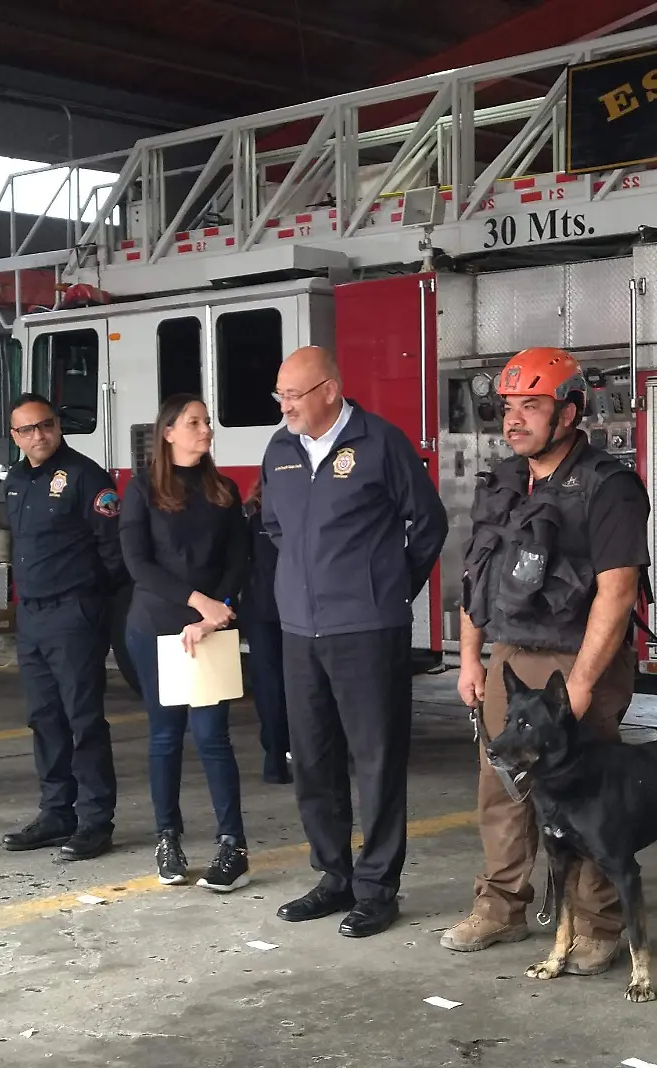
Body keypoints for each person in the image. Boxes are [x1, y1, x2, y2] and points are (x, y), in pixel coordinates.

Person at [442, 347, 649, 974]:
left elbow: (615, 593)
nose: (514, 419)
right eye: (508, 407)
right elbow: (475, 576)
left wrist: (581, 685)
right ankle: (500, 906)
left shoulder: (607, 487)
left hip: (575, 661)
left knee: (586, 796)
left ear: (569, 411)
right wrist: (471, 659)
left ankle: (597, 924)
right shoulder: (503, 480)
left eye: (531, 405)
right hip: (508, 654)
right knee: (501, 787)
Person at [261, 346, 447, 939]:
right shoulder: (280, 449)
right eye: (280, 395)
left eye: (294, 395)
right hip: (299, 629)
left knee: (377, 759)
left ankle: (376, 888)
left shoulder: (380, 443)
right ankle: (333, 876)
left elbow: (429, 523)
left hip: (367, 628)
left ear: (330, 392)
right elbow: (273, 526)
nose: (285, 406)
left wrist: (387, 587)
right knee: (313, 759)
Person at [118, 394, 253, 892]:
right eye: (194, 422)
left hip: (209, 632)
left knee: (213, 737)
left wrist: (214, 614)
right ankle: (168, 838)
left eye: (207, 422)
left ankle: (232, 845)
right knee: (164, 737)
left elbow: (240, 559)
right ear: (169, 432)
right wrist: (200, 602)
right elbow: (139, 565)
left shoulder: (222, 490)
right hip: (156, 629)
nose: (205, 429)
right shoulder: (143, 490)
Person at [0, 392, 125, 862]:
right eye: (27, 429)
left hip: (74, 612)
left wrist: (91, 603)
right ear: (15, 437)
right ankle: (57, 813)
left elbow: (114, 552)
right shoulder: (15, 480)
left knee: (82, 719)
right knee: (44, 718)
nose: (39, 435)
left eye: (46, 425)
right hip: (31, 615)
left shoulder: (86, 476)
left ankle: (95, 821)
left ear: (58, 425)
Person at [240, 478, 291, 786]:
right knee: (302, 686)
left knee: (269, 686)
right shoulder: (301, 516)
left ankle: (274, 758)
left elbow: (240, 564)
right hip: (298, 612)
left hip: (260, 611)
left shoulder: (253, 520)